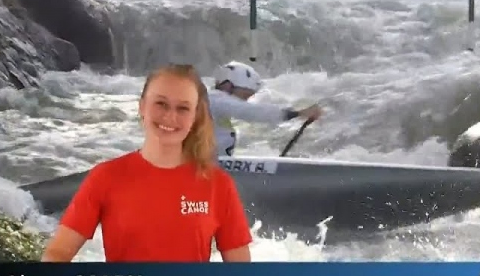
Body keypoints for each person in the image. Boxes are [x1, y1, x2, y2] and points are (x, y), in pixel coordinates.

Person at [41, 64, 253, 262]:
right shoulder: (106, 177)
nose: (170, 117)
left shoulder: (218, 185)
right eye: (161, 104)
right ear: (142, 107)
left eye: (183, 108)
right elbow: (57, 254)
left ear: (195, 116)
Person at [209, 60, 322, 157]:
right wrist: (298, 113)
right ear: (229, 86)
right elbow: (251, 112)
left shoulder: (214, 106)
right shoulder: (213, 99)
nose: (246, 101)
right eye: (245, 95)